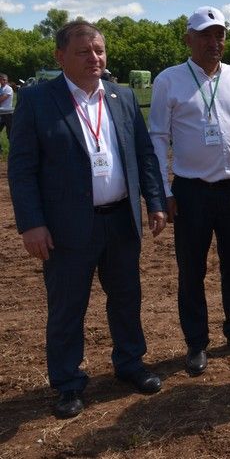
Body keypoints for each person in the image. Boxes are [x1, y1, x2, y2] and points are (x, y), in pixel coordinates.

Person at [8, 22, 168, 419]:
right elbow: (22, 168)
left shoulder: (123, 96)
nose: (94, 58)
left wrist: (155, 201)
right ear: (59, 56)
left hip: (120, 221)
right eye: (83, 51)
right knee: (67, 307)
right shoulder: (37, 100)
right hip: (64, 229)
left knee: (127, 298)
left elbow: (144, 154)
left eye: (99, 50)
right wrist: (31, 223)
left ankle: (130, 363)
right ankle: (67, 383)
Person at [149, 6, 230, 376]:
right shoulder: (169, 80)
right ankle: (196, 343)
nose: (213, 42)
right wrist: (163, 190)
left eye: (219, 35)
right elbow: (158, 137)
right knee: (191, 269)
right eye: (205, 35)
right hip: (190, 191)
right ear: (188, 39)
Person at [0, 73, 13, 150]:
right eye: (1, 79)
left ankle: (13, 150)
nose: (2, 81)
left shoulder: (8, 89)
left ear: (7, 80)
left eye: (4, 79)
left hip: (8, 114)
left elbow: (1, 99)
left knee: (10, 134)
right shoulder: (0, 88)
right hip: (0, 113)